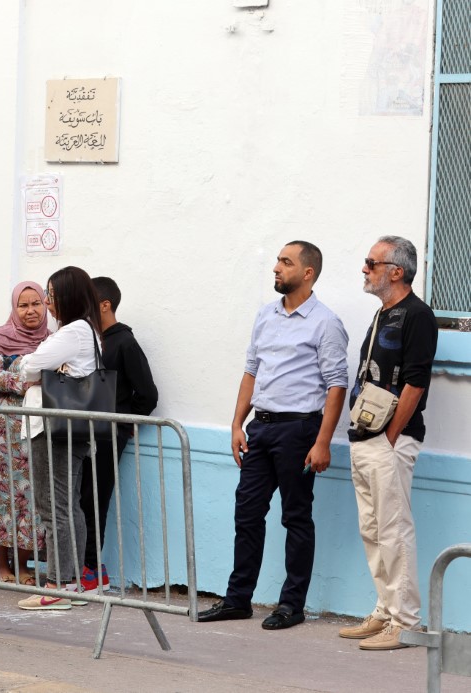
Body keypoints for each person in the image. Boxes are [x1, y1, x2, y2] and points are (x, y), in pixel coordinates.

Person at [198, 241, 348, 630]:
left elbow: (336, 385)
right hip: (260, 428)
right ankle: (238, 600)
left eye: (286, 262)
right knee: (247, 514)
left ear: (308, 272)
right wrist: (236, 424)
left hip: (300, 430)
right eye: (278, 261)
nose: (276, 268)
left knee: (296, 518)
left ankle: (291, 605)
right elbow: (251, 370)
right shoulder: (265, 315)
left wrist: (322, 442)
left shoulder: (326, 323)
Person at [340, 236, 437, 651]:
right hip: (365, 438)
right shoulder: (384, 313)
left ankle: (406, 622)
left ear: (396, 271)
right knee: (373, 529)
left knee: (394, 530)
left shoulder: (417, 315)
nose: (364, 269)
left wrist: (389, 437)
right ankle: (385, 610)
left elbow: (416, 381)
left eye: (371, 263)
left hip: (389, 441)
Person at [15, 266, 103, 611]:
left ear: (66, 296)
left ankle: (57, 584)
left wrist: (29, 366)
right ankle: (74, 584)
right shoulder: (87, 331)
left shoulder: (74, 332)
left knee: (53, 508)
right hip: (71, 429)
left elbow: (30, 366)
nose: (48, 303)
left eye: (50, 295)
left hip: (53, 429)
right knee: (69, 507)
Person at [78, 276, 158, 592]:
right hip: (83, 432)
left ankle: (91, 568)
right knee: (79, 497)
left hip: (107, 435)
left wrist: (127, 423)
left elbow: (148, 394)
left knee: (94, 498)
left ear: (105, 305)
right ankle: (81, 565)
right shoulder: (89, 341)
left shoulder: (124, 342)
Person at [0, 281, 49, 585]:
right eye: (23, 305)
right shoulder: (0, 337)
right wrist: (28, 379)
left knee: (28, 497)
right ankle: (3, 564)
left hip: (33, 432)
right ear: (14, 308)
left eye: (36, 304)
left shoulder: (51, 340)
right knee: (0, 496)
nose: (30, 311)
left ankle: (24, 562)